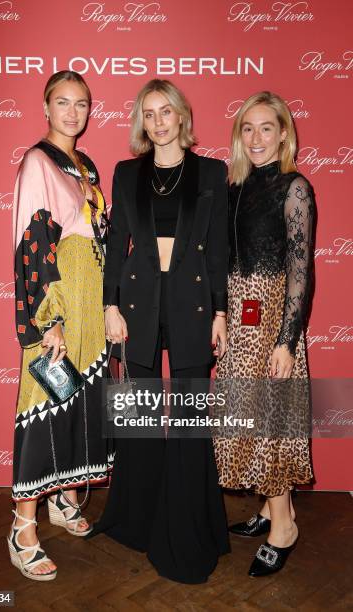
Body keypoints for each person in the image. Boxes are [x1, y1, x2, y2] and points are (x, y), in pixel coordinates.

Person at [88, 79, 230, 584]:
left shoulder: (212, 172)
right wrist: (110, 305)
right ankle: (138, 520)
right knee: (141, 419)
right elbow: (116, 245)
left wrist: (220, 312)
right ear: (141, 122)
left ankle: (192, 528)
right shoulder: (126, 174)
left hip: (192, 303)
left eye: (165, 111)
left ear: (181, 116)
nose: (158, 121)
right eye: (148, 114)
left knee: (192, 420)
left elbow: (217, 251)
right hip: (138, 301)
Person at [9, 71, 113, 580]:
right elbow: (33, 245)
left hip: (92, 306)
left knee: (77, 403)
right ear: (46, 107)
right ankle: (22, 526)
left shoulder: (87, 166)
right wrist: (46, 321)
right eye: (63, 103)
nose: (74, 113)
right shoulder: (36, 162)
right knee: (42, 404)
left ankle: (65, 500)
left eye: (82, 104)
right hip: (58, 306)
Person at [213, 91, 314, 577]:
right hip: (237, 310)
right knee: (246, 416)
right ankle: (275, 508)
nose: (256, 138)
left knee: (269, 421)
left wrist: (286, 342)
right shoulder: (234, 186)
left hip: (272, 314)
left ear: (283, 133)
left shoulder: (294, 188)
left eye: (266, 128)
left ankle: (284, 529)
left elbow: (300, 272)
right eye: (247, 128)